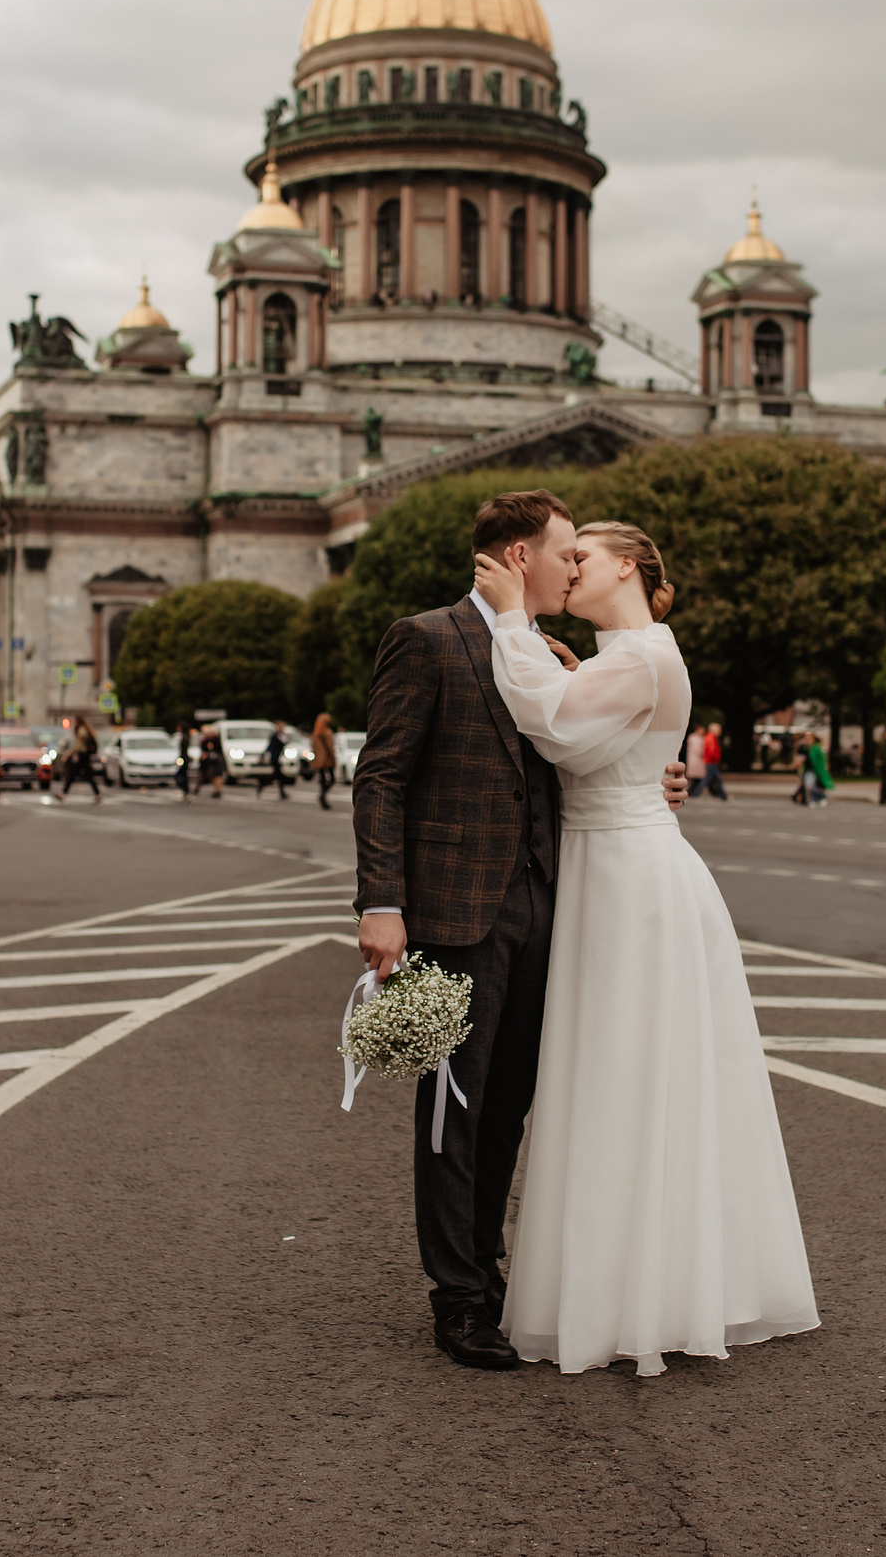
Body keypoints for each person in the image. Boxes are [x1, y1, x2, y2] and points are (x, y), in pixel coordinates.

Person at [352, 487, 693, 1374]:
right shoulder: (426, 638)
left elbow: (580, 753)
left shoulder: (552, 651)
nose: (573, 566)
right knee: (452, 1108)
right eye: (563, 552)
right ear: (516, 557)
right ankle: (458, 1298)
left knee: (508, 1106)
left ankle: (489, 1273)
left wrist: (653, 779)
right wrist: (380, 902)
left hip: (549, 907)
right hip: (458, 911)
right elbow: (381, 776)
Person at [471, 519, 816, 1375]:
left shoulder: (635, 657)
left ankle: (628, 1293)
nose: (565, 567)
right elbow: (592, 739)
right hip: (619, 866)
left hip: (628, 879)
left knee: (621, 1079)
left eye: (581, 555)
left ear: (627, 565)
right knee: (625, 1082)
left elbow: (551, 725)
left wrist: (510, 619)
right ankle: (652, 1282)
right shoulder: (627, 656)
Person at [56, 718, 104, 803]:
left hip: (82, 755)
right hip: (84, 755)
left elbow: (78, 745)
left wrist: (68, 755)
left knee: (73, 774)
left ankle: (63, 793)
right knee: (86, 775)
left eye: (75, 721)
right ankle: (97, 794)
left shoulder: (81, 731)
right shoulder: (84, 730)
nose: (74, 723)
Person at [309, 712, 338, 810]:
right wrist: (332, 758)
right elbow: (330, 747)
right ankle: (323, 796)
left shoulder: (316, 733)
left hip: (319, 760)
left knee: (322, 780)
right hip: (327, 759)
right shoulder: (326, 732)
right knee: (331, 779)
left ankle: (322, 795)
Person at [257, 720, 292, 800]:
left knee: (278, 776)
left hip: (277, 758)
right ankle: (262, 784)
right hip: (274, 758)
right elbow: (282, 743)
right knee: (277, 776)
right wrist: (263, 756)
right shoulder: (276, 735)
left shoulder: (279, 735)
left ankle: (281, 793)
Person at [803, 730, 833, 807]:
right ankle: (813, 800)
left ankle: (821, 798)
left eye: (808, 738)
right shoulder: (806, 748)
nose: (807, 740)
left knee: (813, 786)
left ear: (813, 738)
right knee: (809, 786)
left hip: (816, 770)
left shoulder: (816, 748)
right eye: (806, 738)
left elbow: (822, 758)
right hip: (809, 770)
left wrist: (824, 766)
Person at [198, 723, 227, 799]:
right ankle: (217, 790)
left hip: (214, 762)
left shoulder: (213, 740)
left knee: (216, 777)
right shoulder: (208, 740)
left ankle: (217, 791)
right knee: (214, 777)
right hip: (213, 761)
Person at [700, 722, 727, 800]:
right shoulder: (711, 738)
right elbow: (712, 751)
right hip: (711, 762)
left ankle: (723, 795)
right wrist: (716, 758)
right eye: (719, 730)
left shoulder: (709, 737)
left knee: (712, 780)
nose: (720, 732)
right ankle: (723, 796)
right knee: (712, 779)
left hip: (710, 761)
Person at [175, 721, 197, 803]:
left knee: (179, 776)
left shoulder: (185, 737)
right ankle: (186, 791)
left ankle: (186, 790)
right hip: (185, 759)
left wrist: (181, 759)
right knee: (183, 775)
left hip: (184, 759)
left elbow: (183, 751)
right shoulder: (186, 736)